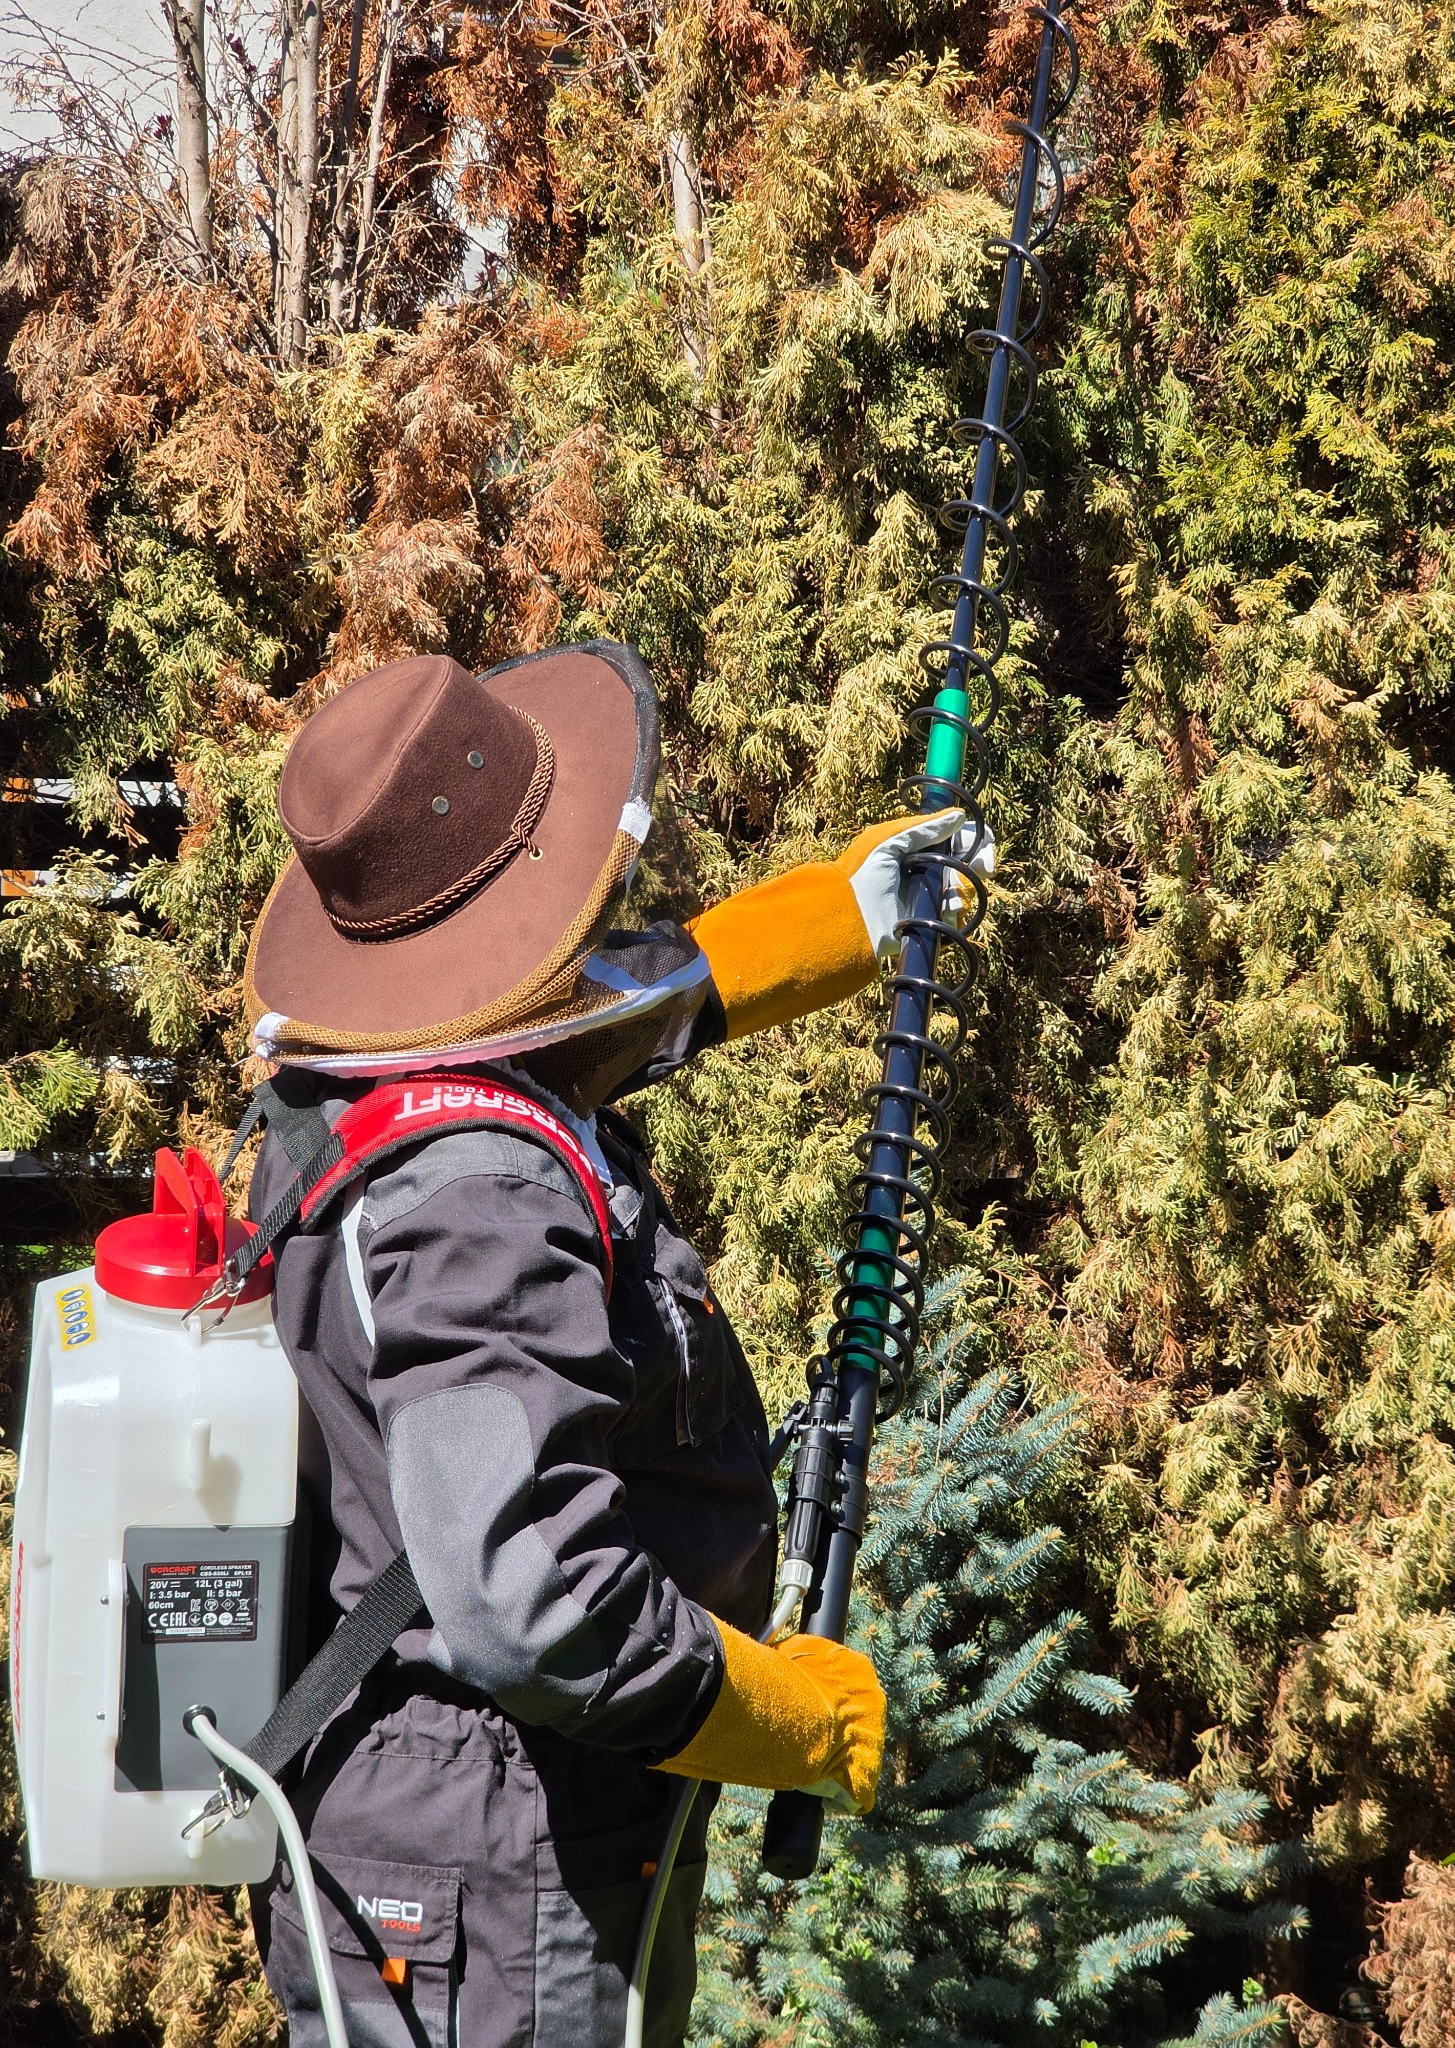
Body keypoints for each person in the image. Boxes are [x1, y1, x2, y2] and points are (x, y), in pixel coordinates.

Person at [240, 640, 984, 2048]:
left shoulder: (354, 1083)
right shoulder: (475, 1203)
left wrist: (840, 916)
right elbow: (537, 1603)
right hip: (499, 1853)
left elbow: (580, 1025)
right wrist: (792, 1725)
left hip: (453, 1822)